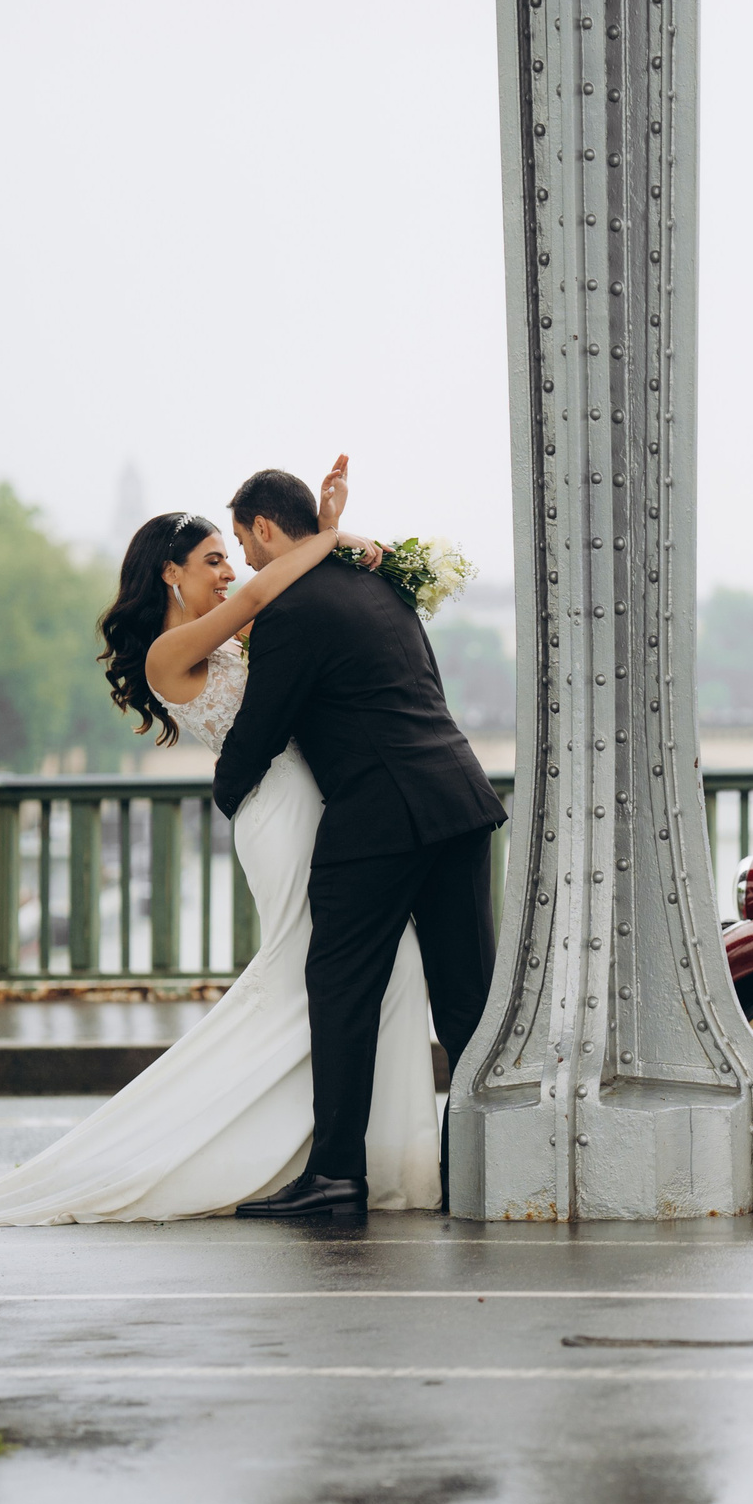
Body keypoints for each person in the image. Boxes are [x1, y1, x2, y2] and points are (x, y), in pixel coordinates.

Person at [0, 458, 452, 1224]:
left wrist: (329, 541)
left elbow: (292, 602)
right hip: (279, 814)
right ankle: (304, 1154)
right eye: (212, 560)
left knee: (384, 968)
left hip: (320, 800)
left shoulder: (233, 633)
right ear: (170, 574)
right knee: (315, 973)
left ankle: (367, 1158)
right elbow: (267, 588)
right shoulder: (167, 654)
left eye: (229, 555)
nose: (228, 572)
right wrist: (331, 534)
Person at [214, 466, 507, 1219]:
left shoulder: (291, 607)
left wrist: (229, 792)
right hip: (458, 797)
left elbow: (264, 725)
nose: (247, 561)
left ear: (267, 527)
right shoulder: (381, 586)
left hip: (378, 818)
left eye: (245, 543)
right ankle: (476, 1165)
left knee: (340, 989)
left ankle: (336, 1173)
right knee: (467, 999)